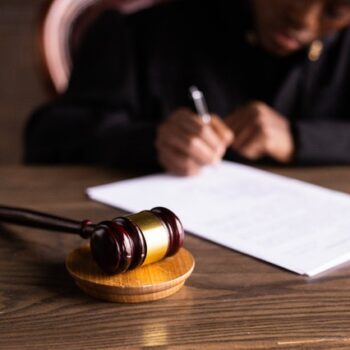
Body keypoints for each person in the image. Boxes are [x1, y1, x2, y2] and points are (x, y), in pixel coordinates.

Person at [26, 0, 350, 175]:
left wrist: (298, 138)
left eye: (333, 10)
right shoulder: (140, 33)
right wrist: (152, 141)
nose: (303, 19)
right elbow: (48, 136)